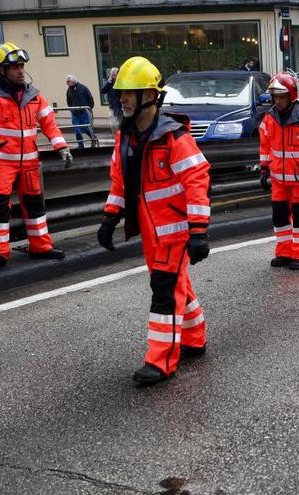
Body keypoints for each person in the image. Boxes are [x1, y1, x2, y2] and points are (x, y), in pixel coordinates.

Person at [96, 56, 211, 387]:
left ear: (151, 95)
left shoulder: (173, 138)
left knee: (163, 291)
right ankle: (194, 338)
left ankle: (160, 361)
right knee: (177, 286)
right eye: (121, 93)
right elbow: (120, 181)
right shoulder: (126, 138)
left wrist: (199, 231)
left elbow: (197, 182)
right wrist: (109, 217)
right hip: (151, 233)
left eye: (130, 93)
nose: (123, 99)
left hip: (173, 232)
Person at [0, 42, 72, 272]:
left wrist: (62, 147)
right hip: (3, 162)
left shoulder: (34, 96)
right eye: (14, 66)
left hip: (29, 163)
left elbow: (50, 124)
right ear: (2, 70)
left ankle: (41, 246)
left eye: (21, 66)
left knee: (35, 206)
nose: (20, 70)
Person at [258, 72, 299, 270]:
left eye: (281, 96)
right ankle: (284, 252)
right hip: (278, 180)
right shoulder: (269, 119)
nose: (278, 101)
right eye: (275, 97)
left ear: (291, 96)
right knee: (279, 218)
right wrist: (263, 170)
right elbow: (264, 146)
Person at [65, 75, 97, 148]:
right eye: (67, 82)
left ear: (73, 81)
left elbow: (90, 98)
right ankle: (80, 145)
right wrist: (71, 108)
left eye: (68, 82)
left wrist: (89, 108)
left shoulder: (83, 88)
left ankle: (93, 138)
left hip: (84, 112)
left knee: (86, 128)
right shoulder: (69, 90)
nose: (67, 83)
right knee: (77, 129)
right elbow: (68, 100)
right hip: (75, 113)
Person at [100, 67, 123, 137]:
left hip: (120, 107)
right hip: (112, 107)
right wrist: (108, 82)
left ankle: (122, 138)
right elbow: (103, 91)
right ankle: (116, 138)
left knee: (121, 125)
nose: (114, 76)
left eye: (115, 75)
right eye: (112, 75)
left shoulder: (121, 82)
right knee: (113, 125)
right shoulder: (109, 83)